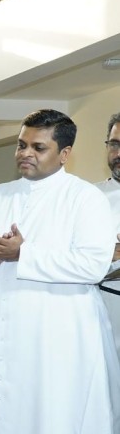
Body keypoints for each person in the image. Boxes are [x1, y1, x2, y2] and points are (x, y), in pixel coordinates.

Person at [0, 109, 120, 434]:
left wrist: (26, 252)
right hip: (4, 334)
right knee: (11, 432)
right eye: (22, 144)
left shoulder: (84, 198)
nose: (25, 154)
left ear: (65, 154)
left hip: (61, 342)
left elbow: (94, 262)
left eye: (38, 147)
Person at [94, 111, 120, 358]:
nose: (119, 153)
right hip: (105, 305)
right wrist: (109, 256)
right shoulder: (88, 198)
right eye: (114, 144)